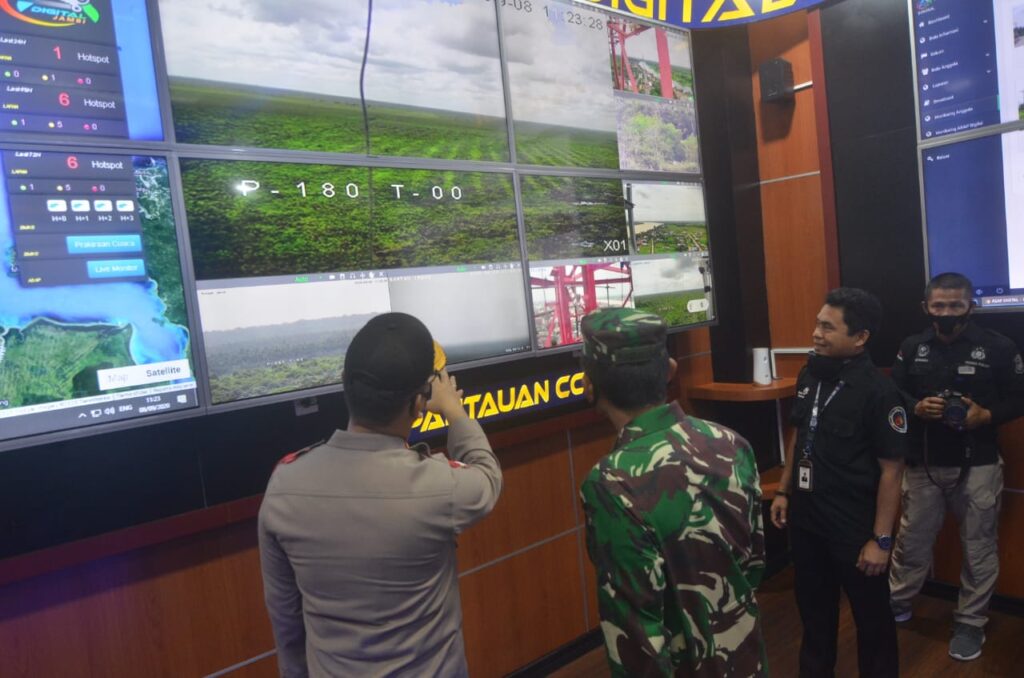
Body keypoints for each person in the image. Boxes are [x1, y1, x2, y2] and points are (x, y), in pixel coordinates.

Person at [258, 312, 502, 677]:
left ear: (345, 384)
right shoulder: (440, 487)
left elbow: (286, 621)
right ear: (419, 404)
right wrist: (454, 411)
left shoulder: (284, 485)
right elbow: (487, 475)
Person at [578, 308, 767, 677]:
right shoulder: (730, 442)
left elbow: (635, 634)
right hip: (746, 657)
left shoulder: (611, 483)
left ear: (588, 383)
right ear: (670, 370)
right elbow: (754, 562)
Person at [770, 287, 906, 678]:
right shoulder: (810, 373)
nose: (816, 334)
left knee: (873, 625)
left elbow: (892, 470)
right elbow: (799, 432)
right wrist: (784, 490)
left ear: (860, 337)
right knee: (815, 620)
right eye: (817, 324)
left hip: (854, 528)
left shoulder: (880, 392)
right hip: (808, 522)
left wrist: (881, 541)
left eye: (828, 328)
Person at [888, 272, 1024, 661]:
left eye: (955, 305)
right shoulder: (912, 347)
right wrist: (915, 407)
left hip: (979, 463)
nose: (947, 312)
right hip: (923, 462)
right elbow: (892, 392)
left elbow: (1019, 397)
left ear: (971, 306)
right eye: (939, 305)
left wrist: (986, 415)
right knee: (911, 541)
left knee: (979, 548)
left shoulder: (998, 346)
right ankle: (897, 602)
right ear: (926, 307)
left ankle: (970, 622)